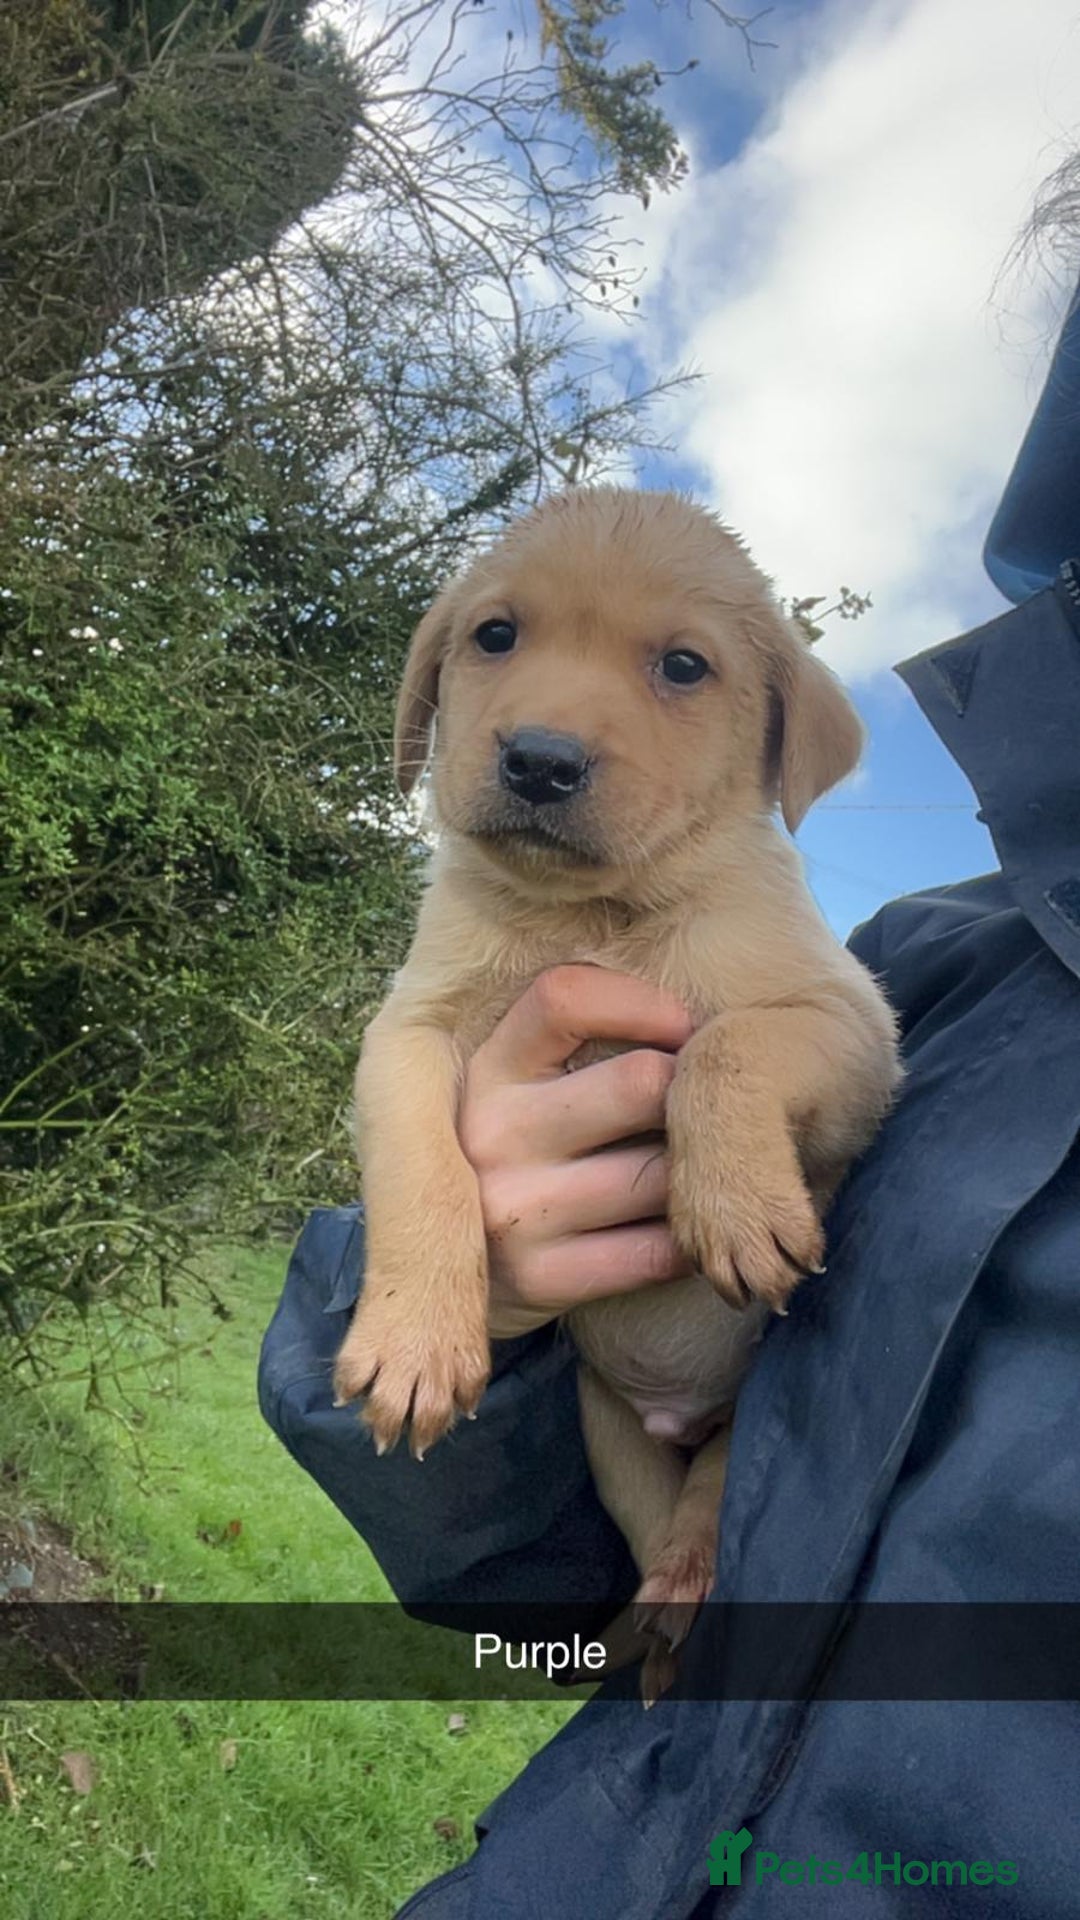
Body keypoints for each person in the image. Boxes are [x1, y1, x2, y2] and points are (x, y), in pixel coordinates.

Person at [258, 251, 1080, 1913]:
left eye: (679, 667)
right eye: (497, 640)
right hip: (595, 1739)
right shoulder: (957, 956)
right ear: (429, 692)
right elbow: (410, 1050)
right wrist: (449, 1287)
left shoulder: (764, 914)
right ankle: (676, 1549)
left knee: (698, 1522)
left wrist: (725, 1086)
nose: (549, 721)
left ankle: (692, 1542)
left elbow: (831, 1047)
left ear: (783, 744)